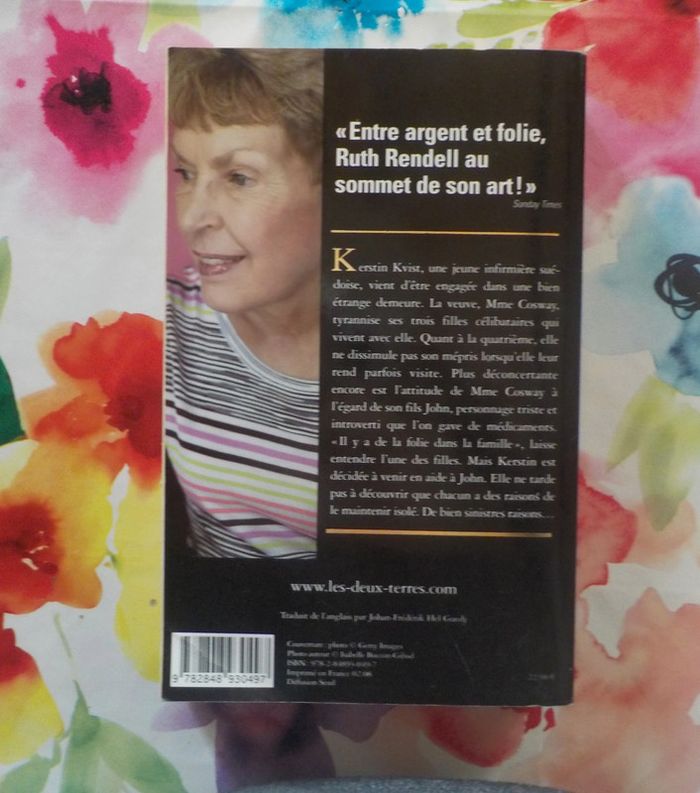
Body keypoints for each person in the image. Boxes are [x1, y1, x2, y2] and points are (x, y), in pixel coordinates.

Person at [166, 49, 323, 558]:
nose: (192, 219)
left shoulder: (423, 352)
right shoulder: (162, 325)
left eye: (238, 178)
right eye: (186, 173)